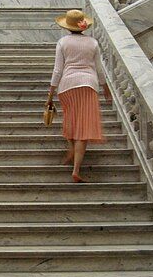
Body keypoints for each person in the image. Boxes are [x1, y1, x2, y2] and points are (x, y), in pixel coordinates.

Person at [46, 9, 111, 183]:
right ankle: (76, 169)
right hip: (88, 85)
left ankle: (71, 150)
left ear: (67, 26)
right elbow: (99, 69)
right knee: (83, 129)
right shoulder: (93, 43)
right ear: (83, 25)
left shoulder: (62, 42)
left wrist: (50, 93)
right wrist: (106, 88)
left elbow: (58, 70)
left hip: (67, 86)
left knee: (71, 121)